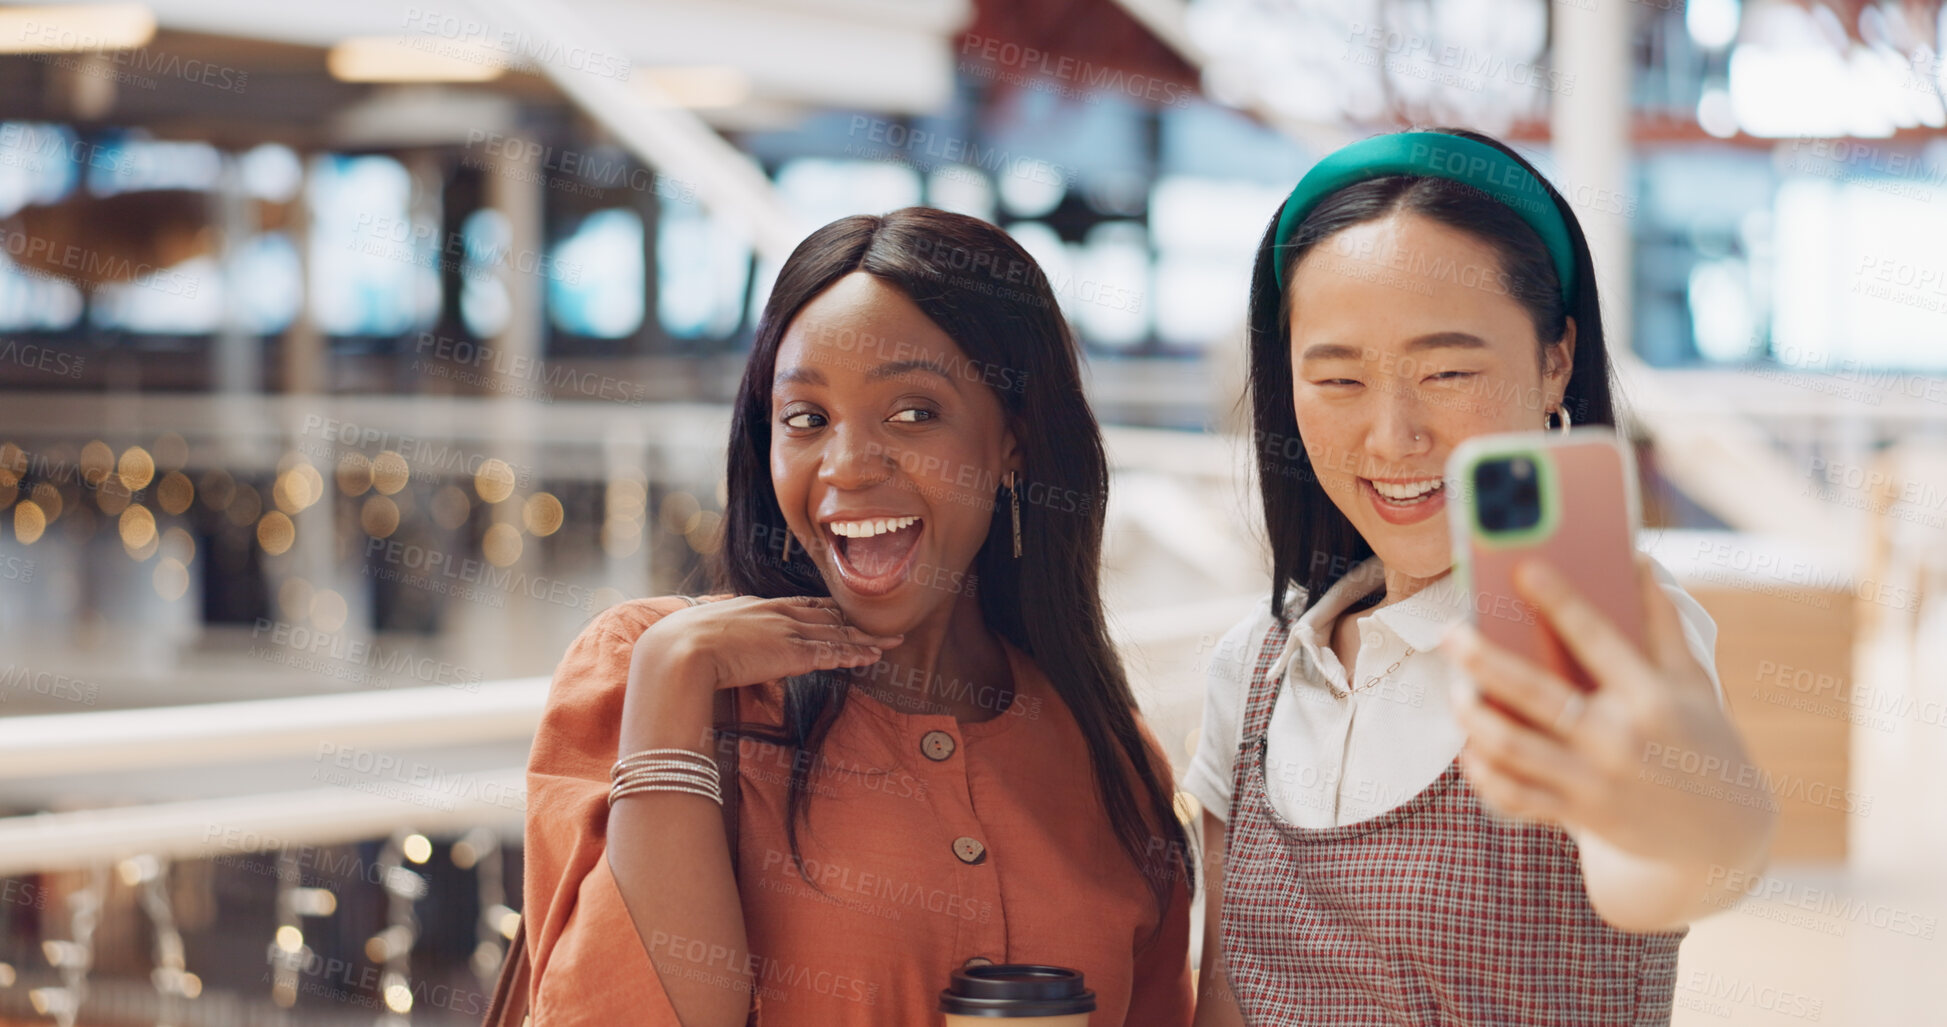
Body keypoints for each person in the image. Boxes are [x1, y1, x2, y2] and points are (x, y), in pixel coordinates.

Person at [522, 207, 1194, 1026]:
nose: (844, 465)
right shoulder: (647, 673)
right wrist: (673, 677)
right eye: (805, 419)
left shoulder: (1110, 757)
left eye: (913, 412)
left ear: (1013, 440)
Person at [1185, 129, 1776, 1025]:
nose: (1393, 438)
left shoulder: (1599, 640)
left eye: (1448, 369)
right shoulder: (1255, 668)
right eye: (1338, 379)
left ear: (1555, 360)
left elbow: (1667, 872)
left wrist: (1699, 807)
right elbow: (1225, 993)